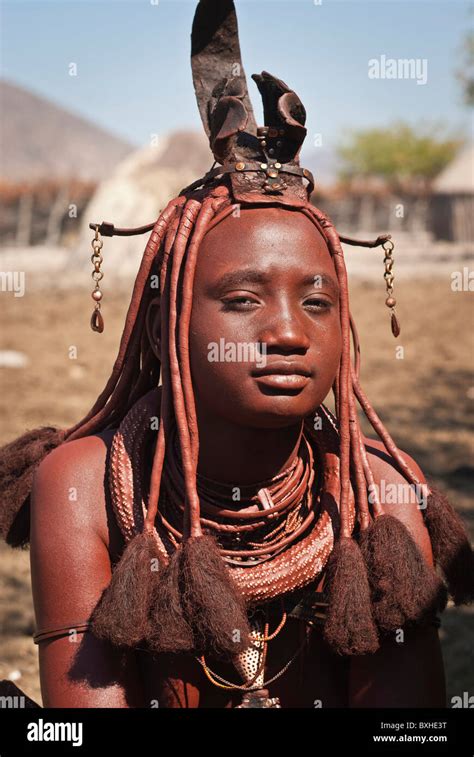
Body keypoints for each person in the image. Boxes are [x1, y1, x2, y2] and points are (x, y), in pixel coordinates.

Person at [0, 0, 472, 709]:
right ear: (163, 328)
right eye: (244, 299)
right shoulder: (86, 488)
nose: (289, 330)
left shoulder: (378, 500)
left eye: (317, 301)